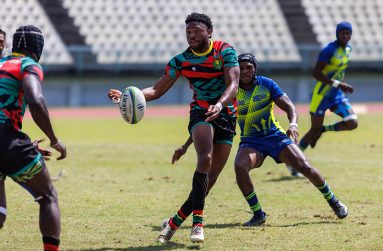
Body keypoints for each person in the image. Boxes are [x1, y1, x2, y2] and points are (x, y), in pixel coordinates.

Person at [173, 53, 348, 227]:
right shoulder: (230, 92)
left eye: (249, 67)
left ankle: (334, 201)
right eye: (241, 68)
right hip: (251, 142)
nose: (245, 71)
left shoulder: (267, 84)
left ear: (255, 69)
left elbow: (289, 107)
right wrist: (186, 145)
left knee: (305, 167)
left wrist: (293, 124)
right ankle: (258, 214)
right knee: (240, 166)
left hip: (275, 137)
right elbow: (208, 120)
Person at [108, 13, 239, 243]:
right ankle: (197, 223)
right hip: (201, 112)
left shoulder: (225, 51)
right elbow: (157, 90)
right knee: (205, 158)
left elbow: (233, 85)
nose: (192, 35)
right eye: (188, 32)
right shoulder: (180, 61)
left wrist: (219, 105)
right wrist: (130, 96)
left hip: (226, 113)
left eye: (197, 31)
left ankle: (174, 222)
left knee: (211, 177)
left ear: (209, 32)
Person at [0, 25, 66, 251]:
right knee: (47, 196)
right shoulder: (28, 65)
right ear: (38, 47)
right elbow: (36, 102)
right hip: (6, 139)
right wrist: (54, 139)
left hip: (8, 140)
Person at [298, 21, 357, 155]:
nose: (346, 36)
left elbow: (337, 71)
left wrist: (339, 85)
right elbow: (316, 73)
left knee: (352, 123)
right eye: (343, 33)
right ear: (337, 34)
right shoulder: (329, 50)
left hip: (336, 95)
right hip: (321, 96)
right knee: (313, 130)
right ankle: (293, 163)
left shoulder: (348, 50)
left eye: (348, 33)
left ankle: (324, 129)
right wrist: (339, 84)